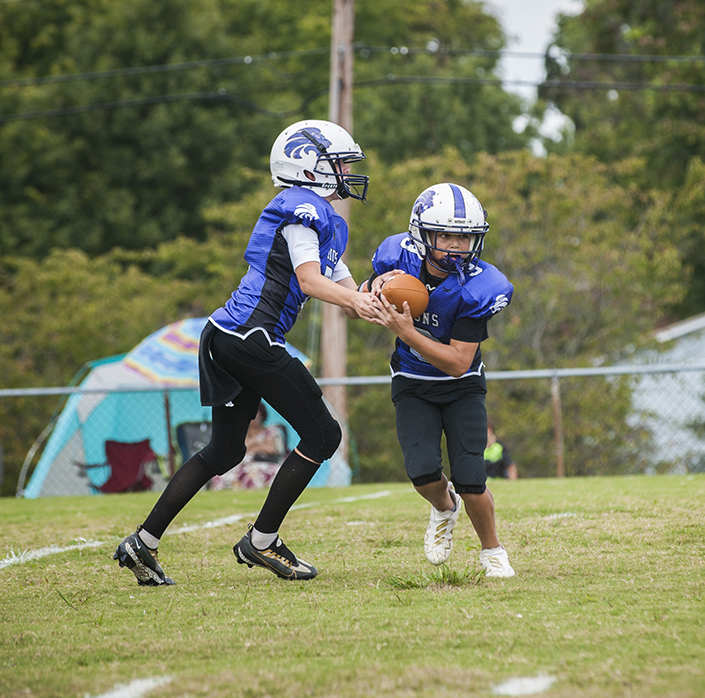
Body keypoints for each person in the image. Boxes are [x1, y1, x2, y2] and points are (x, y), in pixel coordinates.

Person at [114, 119, 378, 585]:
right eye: (339, 164)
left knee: (223, 451)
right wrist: (354, 299)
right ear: (310, 167)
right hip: (250, 340)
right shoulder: (302, 211)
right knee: (323, 436)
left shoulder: (325, 222)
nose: (346, 173)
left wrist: (380, 301)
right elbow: (310, 282)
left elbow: (348, 296)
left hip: (228, 337)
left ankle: (143, 543)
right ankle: (261, 542)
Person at [362, 182, 516, 578]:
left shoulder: (480, 286)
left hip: (461, 386)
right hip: (412, 381)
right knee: (423, 472)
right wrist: (371, 290)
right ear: (422, 233)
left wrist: (406, 330)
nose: (455, 246)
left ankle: (492, 550)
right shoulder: (396, 256)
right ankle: (444, 508)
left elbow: (458, 363)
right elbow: (354, 309)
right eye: (445, 234)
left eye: (464, 237)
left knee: (471, 478)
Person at [210, 403, 286, 490]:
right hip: (243, 463)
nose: (253, 417)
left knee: (251, 473)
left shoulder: (272, 431)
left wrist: (251, 447)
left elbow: (271, 449)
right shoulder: (240, 433)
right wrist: (257, 443)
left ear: (262, 415)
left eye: (256, 413)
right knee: (220, 475)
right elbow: (236, 450)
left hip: (265, 462)